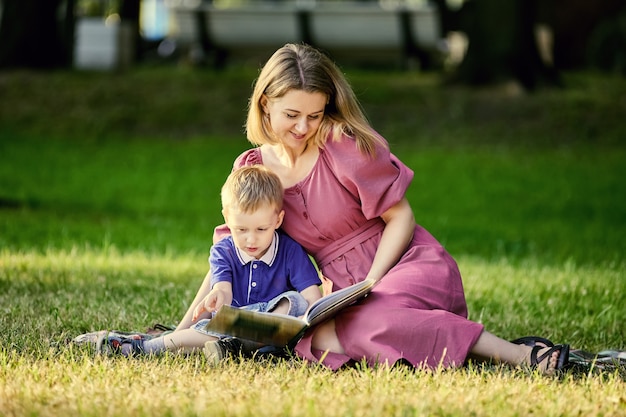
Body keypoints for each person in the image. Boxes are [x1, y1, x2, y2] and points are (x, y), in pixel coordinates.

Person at [174, 43, 569, 375]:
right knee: (309, 331)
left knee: (365, 322)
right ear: (265, 104)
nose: (302, 127)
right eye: (291, 115)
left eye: (314, 115)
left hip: (404, 264)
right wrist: (184, 328)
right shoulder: (251, 169)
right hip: (340, 291)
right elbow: (229, 252)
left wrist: (371, 284)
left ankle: (522, 355)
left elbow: (401, 218)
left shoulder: (340, 144)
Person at [96, 164, 322, 362]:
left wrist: (307, 317)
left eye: (261, 229)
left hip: (272, 328)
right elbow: (222, 287)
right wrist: (218, 295)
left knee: (294, 301)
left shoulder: (290, 251)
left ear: (278, 220)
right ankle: (144, 348)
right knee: (200, 332)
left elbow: (312, 297)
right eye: (241, 230)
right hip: (230, 325)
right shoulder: (223, 251)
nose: (251, 239)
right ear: (226, 218)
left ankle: (240, 347)